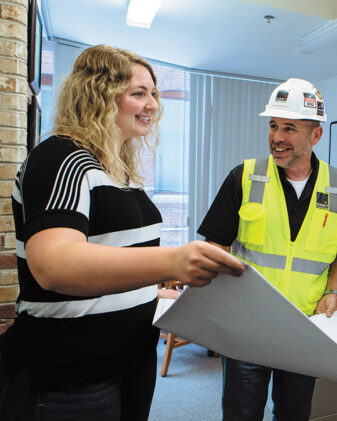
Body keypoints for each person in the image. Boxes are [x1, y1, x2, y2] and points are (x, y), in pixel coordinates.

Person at [0, 45, 246, 420]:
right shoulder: (60, 158)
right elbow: (55, 265)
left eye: (154, 94)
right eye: (139, 93)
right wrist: (173, 260)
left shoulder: (118, 170)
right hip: (72, 371)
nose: (153, 105)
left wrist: (157, 290)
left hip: (130, 361)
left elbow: (111, 258)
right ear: (98, 92)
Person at [197, 78, 337, 421]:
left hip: (303, 327)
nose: (277, 137)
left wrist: (333, 290)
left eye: (289, 128)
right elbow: (215, 247)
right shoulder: (244, 176)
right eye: (273, 126)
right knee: (241, 414)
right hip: (247, 327)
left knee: (295, 414)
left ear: (315, 136)